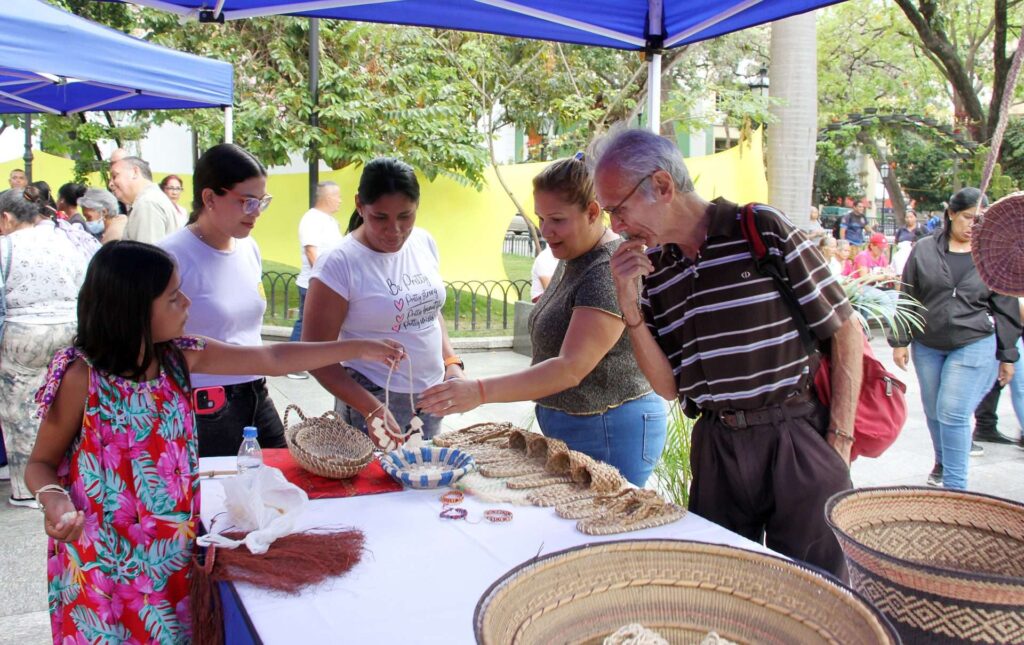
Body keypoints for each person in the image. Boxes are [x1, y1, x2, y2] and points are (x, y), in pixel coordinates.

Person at [24, 240, 404, 644]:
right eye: (173, 297)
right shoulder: (81, 378)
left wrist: (357, 348)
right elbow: (39, 464)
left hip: (174, 560)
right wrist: (54, 500)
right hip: (101, 566)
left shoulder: (180, 358)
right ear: (132, 310)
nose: (187, 302)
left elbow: (272, 357)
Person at [595, 128, 861, 579]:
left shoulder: (759, 229)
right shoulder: (655, 272)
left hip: (794, 435)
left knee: (814, 587)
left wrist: (839, 439)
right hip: (717, 445)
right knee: (720, 583)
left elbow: (845, 328)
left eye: (618, 209)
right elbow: (668, 386)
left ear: (661, 185)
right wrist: (629, 305)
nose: (616, 227)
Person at [420, 157, 667, 486]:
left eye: (557, 220)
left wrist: (478, 392)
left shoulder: (605, 271)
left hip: (609, 428)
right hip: (578, 424)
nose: (545, 230)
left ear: (593, 212)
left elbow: (570, 368)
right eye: (540, 218)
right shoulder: (575, 253)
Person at [302, 158, 462, 443]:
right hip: (373, 397)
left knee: (424, 478)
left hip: (431, 396)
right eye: (380, 217)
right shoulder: (339, 263)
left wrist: (451, 362)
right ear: (359, 206)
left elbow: (427, 310)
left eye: (405, 216)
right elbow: (315, 356)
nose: (395, 230)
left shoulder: (423, 242)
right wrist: (370, 407)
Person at [159, 144, 284, 458]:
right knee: (219, 500)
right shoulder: (171, 256)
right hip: (206, 404)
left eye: (262, 202)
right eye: (246, 202)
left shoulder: (248, 248)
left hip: (256, 390)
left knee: (281, 483)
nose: (255, 212)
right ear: (209, 197)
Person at [891, 187, 1020, 489]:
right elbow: (908, 295)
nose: (974, 225)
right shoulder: (923, 249)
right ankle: (943, 462)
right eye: (968, 217)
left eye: (982, 220)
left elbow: (1005, 307)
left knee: (953, 410)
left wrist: (1007, 354)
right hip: (928, 343)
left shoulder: (992, 256)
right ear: (951, 214)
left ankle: (956, 486)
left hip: (974, 340)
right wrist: (899, 339)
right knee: (935, 410)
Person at [0, 187, 97, 508]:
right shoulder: (66, 240)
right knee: (62, 407)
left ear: (6, 218)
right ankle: (66, 476)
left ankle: (29, 489)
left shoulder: (7, 246)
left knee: (20, 411)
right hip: (70, 329)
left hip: (24, 334)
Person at [291, 181, 343, 345]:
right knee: (305, 323)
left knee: (318, 324)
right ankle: (290, 361)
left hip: (326, 283)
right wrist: (322, 279)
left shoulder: (329, 221)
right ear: (328, 197)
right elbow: (311, 251)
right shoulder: (312, 219)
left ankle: (304, 361)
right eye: (337, 196)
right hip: (313, 284)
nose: (340, 200)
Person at [110, 156, 179, 244]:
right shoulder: (151, 199)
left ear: (135, 172)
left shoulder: (147, 204)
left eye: (115, 176)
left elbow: (147, 255)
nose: (111, 184)